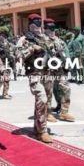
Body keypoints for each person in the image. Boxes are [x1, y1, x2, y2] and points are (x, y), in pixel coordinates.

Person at [16, 14, 54, 143]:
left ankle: (37, 126)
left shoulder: (45, 38)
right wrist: (32, 48)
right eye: (33, 22)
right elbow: (18, 54)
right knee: (42, 99)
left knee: (44, 101)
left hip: (47, 73)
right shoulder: (24, 39)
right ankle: (42, 131)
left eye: (38, 22)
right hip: (34, 73)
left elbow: (53, 51)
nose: (36, 25)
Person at [44, 18, 75, 122]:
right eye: (49, 28)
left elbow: (66, 53)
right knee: (48, 91)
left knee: (65, 88)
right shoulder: (42, 41)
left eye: (53, 28)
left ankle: (64, 112)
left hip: (60, 69)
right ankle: (47, 113)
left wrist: (68, 65)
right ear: (44, 28)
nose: (51, 30)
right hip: (47, 70)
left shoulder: (59, 40)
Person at [0, 28, 13, 99]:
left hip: (6, 61)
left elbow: (12, 50)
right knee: (5, 75)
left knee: (2, 78)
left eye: (3, 35)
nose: (2, 36)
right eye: (0, 35)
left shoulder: (7, 43)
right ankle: (4, 94)